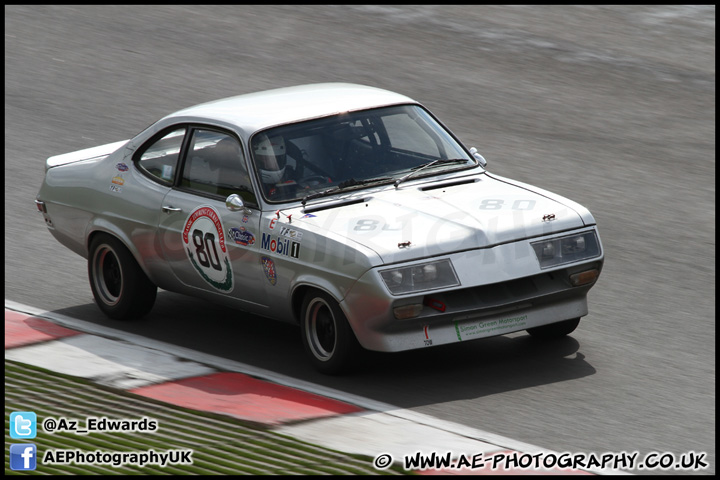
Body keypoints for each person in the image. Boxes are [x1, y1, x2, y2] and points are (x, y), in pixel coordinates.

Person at [252, 134, 296, 199]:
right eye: (264, 159)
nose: (269, 165)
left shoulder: (290, 175)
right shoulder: (249, 183)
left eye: (277, 159)